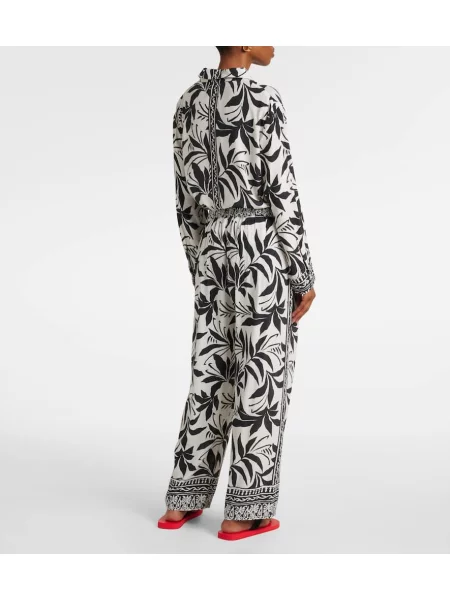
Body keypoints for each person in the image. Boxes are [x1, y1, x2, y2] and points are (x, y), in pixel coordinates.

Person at [158, 46, 316, 541]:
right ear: (245, 40)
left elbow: (185, 203)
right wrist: (302, 273)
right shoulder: (263, 99)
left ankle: (182, 502)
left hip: (212, 250)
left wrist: (202, 268)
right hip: (261, 250)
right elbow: (282, 190)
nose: (275, 43)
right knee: (260, 376)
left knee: (210, 374)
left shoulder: (187, 103)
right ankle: (243, 512)